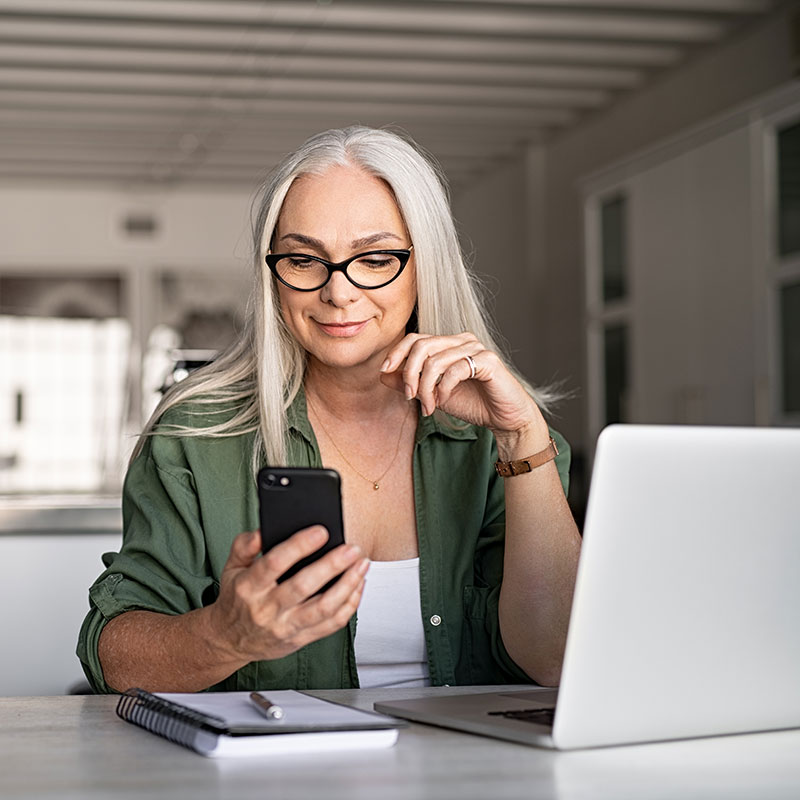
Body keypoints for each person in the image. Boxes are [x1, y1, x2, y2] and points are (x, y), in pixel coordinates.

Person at [77, 126, 582, 694]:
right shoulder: (195, 433)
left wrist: (522, 438)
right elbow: (114, 657)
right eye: (303, 260)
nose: (338, 293)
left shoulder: (507, 441)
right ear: (274, 277)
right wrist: (226, 635)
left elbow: (557, 659)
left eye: (374, 259)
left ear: (425, 265)